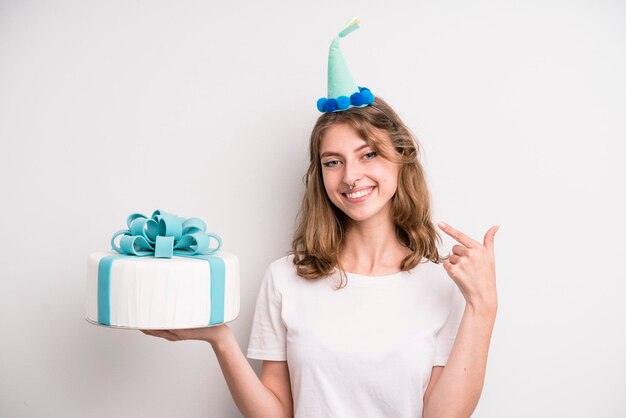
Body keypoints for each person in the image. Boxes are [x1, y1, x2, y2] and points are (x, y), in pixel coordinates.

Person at [142, 18, 499, 418]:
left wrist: (483, 306)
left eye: (368, 155)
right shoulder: (285, 278)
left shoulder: (441, 286)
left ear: (400, 158)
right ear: (320, 175)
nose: (350, 176)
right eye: (333, 161)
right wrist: (221, 339)